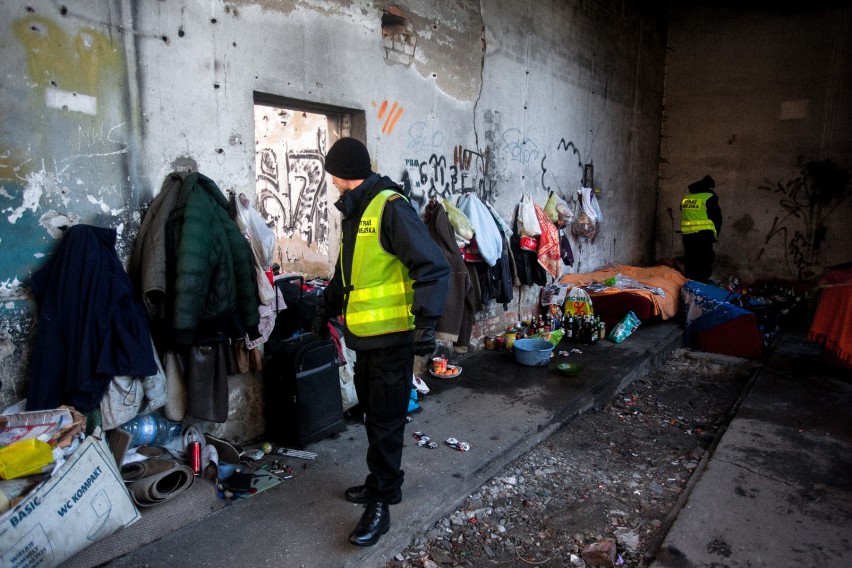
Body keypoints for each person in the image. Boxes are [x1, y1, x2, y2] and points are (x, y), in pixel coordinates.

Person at [312, 137, 450, 547]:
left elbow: (433, 266)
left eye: (333, 175)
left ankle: (381, 506)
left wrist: (425, 324)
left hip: (392, 341)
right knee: (374, 416)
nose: (333, 183)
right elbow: (347, 271)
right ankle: (383, 485)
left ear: (343, 174)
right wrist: (326, 308)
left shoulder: (390, 207)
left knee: (386, 422)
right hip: (366, 341)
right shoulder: (356, 211)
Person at [681, 175, 722, 283]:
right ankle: (702, 289)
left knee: (691, 263)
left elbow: (683, 212)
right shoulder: (709, 197)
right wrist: (716, 233)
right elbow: (717, 217)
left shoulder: (687, 197)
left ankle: (690, 289)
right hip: (704, 236)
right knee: (704, 263)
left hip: (688, 236)